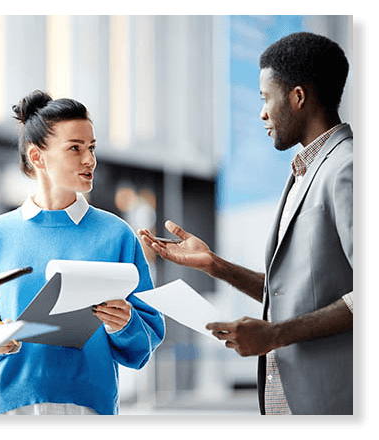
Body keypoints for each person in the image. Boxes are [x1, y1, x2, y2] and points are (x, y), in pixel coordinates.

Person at [139, 32, 352, 415]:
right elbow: (293, 294)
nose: (262, 113)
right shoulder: (306, 171)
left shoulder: (345, 168)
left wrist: (275, 334)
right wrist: (214, 264)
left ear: (298, 98)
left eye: (265, 98)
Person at [0, 90, 165, 415]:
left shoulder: (117, 235)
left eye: (91, 148)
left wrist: (124, 323)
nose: (89, 159)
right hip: (9, 406)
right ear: (37, 157)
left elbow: (146, 336)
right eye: (75, 148)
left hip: (90, 404)